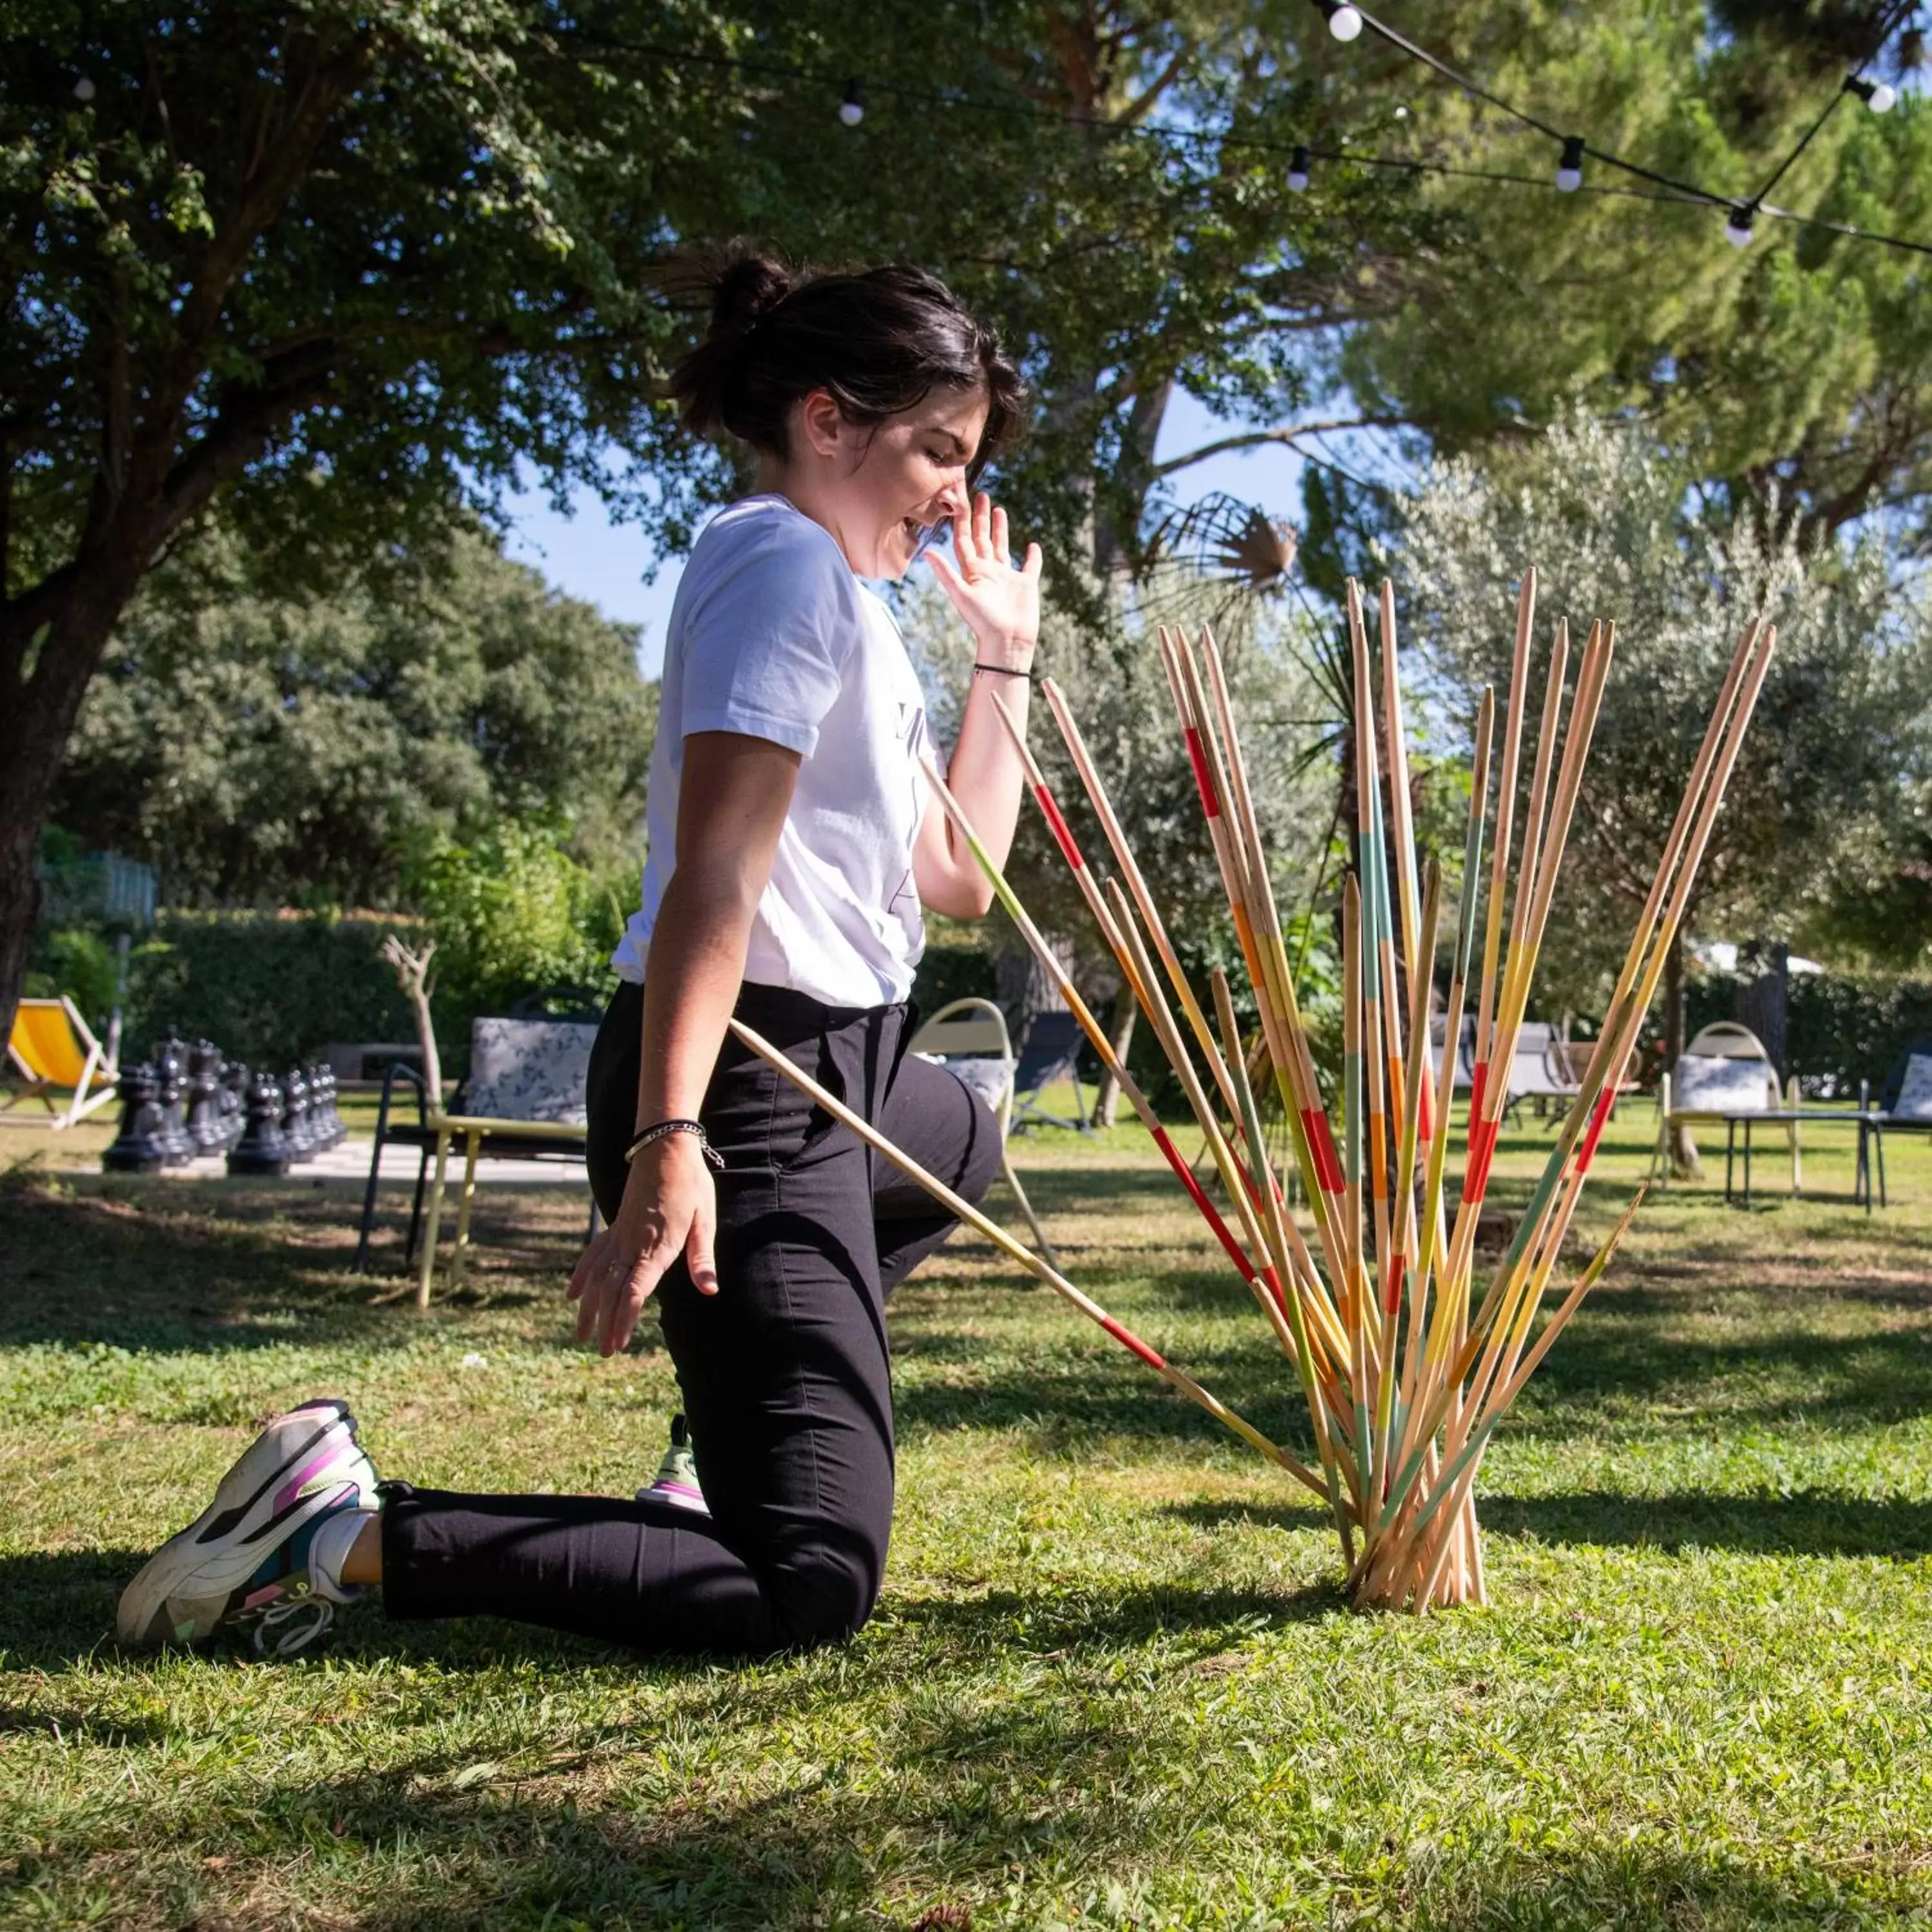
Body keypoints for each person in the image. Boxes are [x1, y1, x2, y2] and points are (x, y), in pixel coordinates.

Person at [117, 251, 1045, 1660]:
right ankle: (327, 1534)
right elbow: (713, 876)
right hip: (747, 1077)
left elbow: (960, 879)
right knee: (806, 1588)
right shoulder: (781, 560)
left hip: (843, 1076)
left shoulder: (858, 608)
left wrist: (1004, 656)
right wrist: (670, 1136)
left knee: (960, 1141)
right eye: (935, 449)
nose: (951, 494)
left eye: (963, 460)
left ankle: (710, 1439)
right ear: (828, 421)